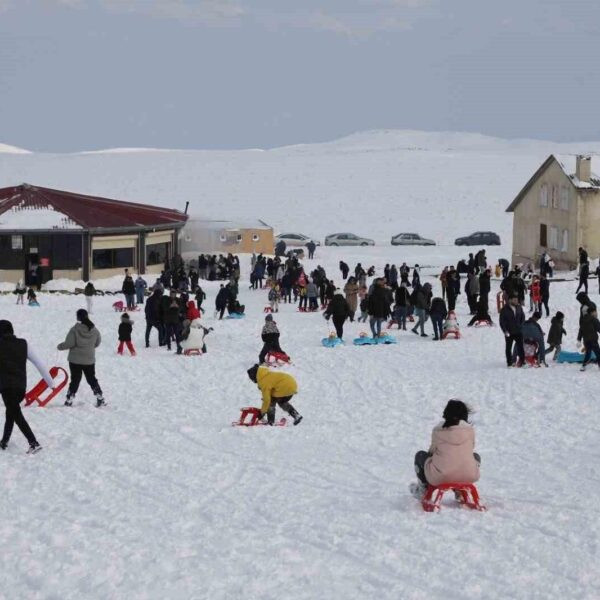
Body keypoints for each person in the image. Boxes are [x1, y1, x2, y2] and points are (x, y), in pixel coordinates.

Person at [0, 320, 53, 454]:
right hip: (20, 387)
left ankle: (33, 442)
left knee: (16, 414)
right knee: (11, 412)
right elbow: (39, 363)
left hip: (6, 387)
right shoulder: (24, 344)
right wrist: (50, 382)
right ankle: (4, 441)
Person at [412, 399, 480, 497]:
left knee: (420, 455)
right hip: (469, 476)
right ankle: (460, 491)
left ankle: (423, 489)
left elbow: (432, 452)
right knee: (475, 456)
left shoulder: (438, 430)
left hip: (441, 476)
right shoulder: (470, 431)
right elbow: (469, 450)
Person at [58, 309, 105, 407]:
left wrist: (60, 346)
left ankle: (70, 398)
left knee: (75, 379)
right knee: (91, 378)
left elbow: (69, 343)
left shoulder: (75, 329)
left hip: (75, 360)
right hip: (89, 360)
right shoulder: (94, 330)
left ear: (77, 317)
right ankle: (99, 396)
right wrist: (89, 348)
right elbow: (98, 342)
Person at [499, 295, 525, 367]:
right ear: (510, 300)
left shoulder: (519, 307)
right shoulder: (504, 309)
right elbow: (502, 322)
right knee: (508, 348)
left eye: (517, 300)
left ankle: (522, 362)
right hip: (509, 332)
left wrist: (521, 325)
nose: (516, 301)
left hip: (518, 331)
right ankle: (509, 363)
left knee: (520, 347)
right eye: (514, 300)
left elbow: (523, 317)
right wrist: (505, 331)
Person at [579, 307, 600, 372]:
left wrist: (579, 339)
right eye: (595, 311)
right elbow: (599, 328)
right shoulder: (594, 319)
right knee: (598, 353)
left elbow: (581, 330)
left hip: (586, 340)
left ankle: (583, 366)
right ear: (591, 312)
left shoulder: (583, 320)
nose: (596, 313)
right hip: (593, 339)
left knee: (588, 353)